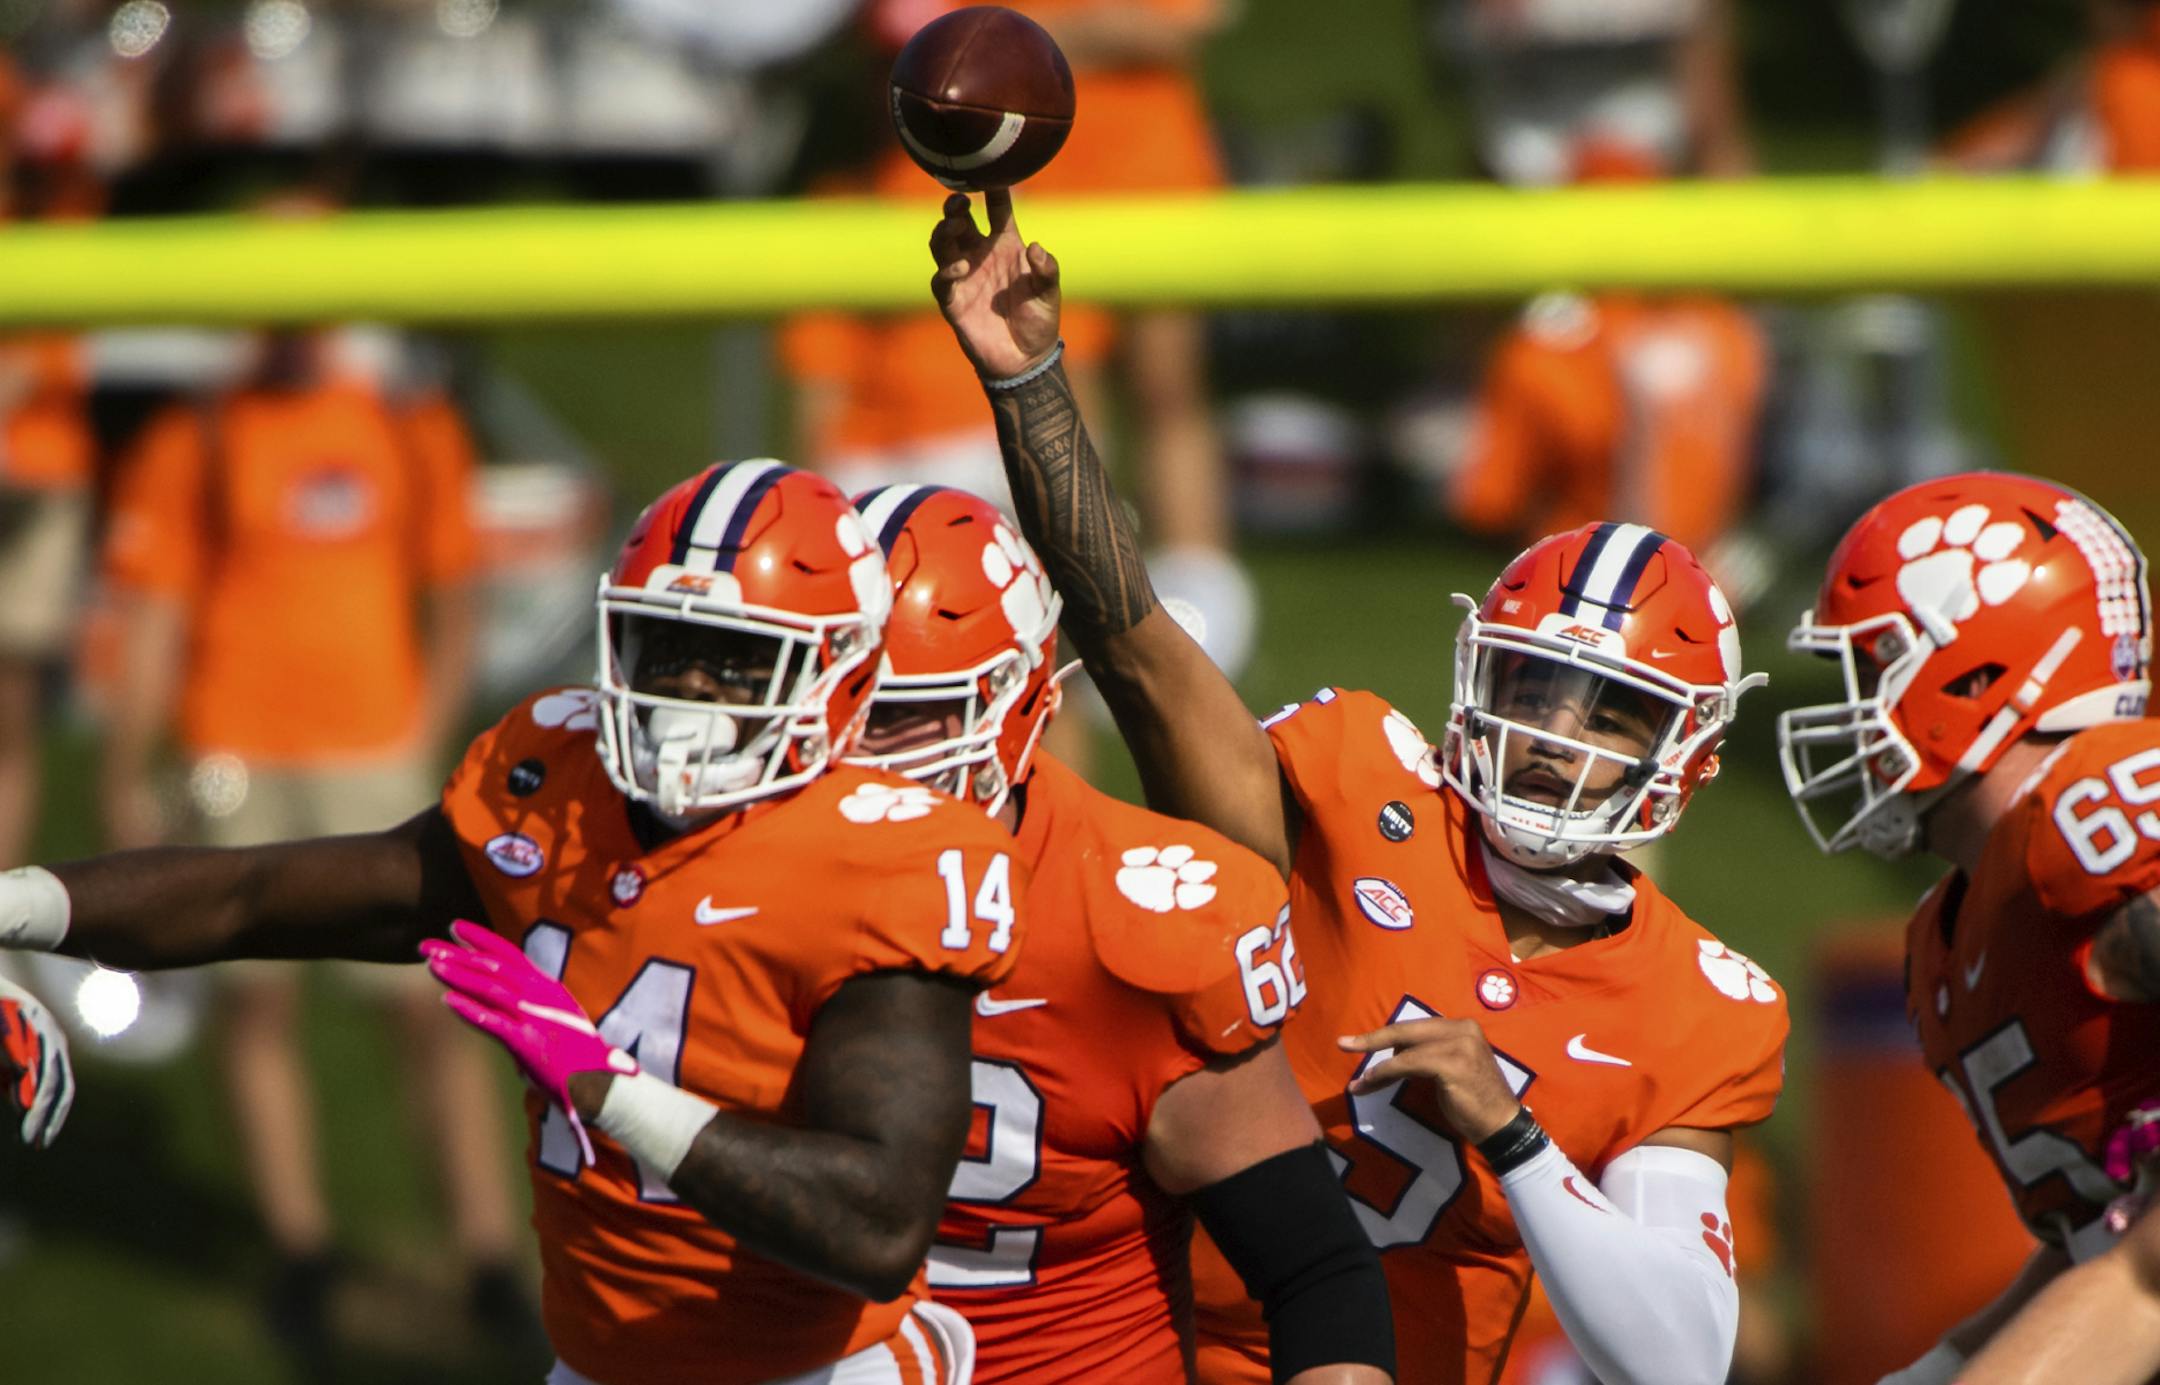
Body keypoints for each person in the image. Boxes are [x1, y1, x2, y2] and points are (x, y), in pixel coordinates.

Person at [925, 188, 1789, 1385]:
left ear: (1687, 751)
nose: (1553, 735)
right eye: (1534, 687)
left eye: (1612, 712)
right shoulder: (1353, 778)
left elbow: (1679, 1359)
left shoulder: (1703, 1010)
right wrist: (1033, 389)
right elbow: (1133, 644)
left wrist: (1515, 1132)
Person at [0, 459, 1020, 1385]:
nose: (686, 702)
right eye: (668, 651)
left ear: (837, 673)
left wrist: (614, 1095)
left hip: (819, 1370)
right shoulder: (556, 790)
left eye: (734, 662)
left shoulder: (884, 854)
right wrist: (17, 907)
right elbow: (253, 893)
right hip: (602, 1361)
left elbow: (881, 1216)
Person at [847, 481, 1395, 1383]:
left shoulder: (1135, 920)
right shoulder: (719, 868)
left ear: (1013, 704)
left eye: (894, 711)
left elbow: (1317, 1269)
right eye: (823, 693)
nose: (850, 745)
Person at [95, 324, 531, 1358]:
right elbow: (155, 611)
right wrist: (125, 765)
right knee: (256, 1005)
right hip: (234, 749)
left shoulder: (399, 420)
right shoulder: (195, 430)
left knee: (435, 1012)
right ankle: (300, 1249)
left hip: (372, 747)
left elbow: (456, 583)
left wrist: (425, 725)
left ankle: (488, 1255)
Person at [1775, 470, 2160, 1385]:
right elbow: (2093, 1239)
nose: (1852, 710)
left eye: (1872, 667)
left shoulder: (2095, 808)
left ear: (1982, 671)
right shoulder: (1948, 944)